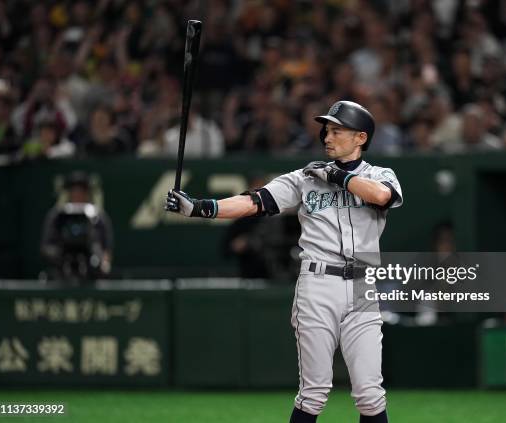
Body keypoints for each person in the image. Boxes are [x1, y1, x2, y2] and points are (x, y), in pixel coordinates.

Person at [166, 100, 402, 423]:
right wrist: (200, 208)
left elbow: (382, 196)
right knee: (314, 392)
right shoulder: (306, 178)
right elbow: (254, 202)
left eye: (336, 131)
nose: (327, 137)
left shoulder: (378, 174)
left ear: (360, 137)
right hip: (319, 284)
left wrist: (336, 176)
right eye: (326, 131)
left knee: (370, 395)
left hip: (363, 287)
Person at [41, 171, 113, 282]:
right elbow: (47, 247)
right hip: (61, 275)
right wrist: (60, 256)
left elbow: (106, 251)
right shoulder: (58, 216)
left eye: (82, 191)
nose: (78, 195)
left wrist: (100, 260)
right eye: (74, 191)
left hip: (92, 276)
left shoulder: (97, 216)